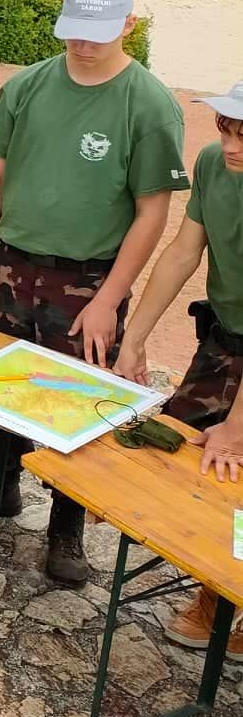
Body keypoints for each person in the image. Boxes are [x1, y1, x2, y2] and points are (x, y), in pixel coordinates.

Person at [0, 0, 187, 587]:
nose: (82, 44)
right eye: (74, 31)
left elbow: (152, 212)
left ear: (128, 25)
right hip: (10, 264)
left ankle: (67, 524)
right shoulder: (26, 85)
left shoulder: (149, 103)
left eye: (97, 32)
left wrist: (110, 297)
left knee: (76, 401)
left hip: (86, 278)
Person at [114, 76, 243, 656]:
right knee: (182, 442)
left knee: (234, 463)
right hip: (224, 337)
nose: (230, 145)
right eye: (225, 128)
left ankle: (223, 598)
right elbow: (183, 251)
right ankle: (216, 585)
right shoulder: (215, 163)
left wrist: (237, 425)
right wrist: (134, 339)